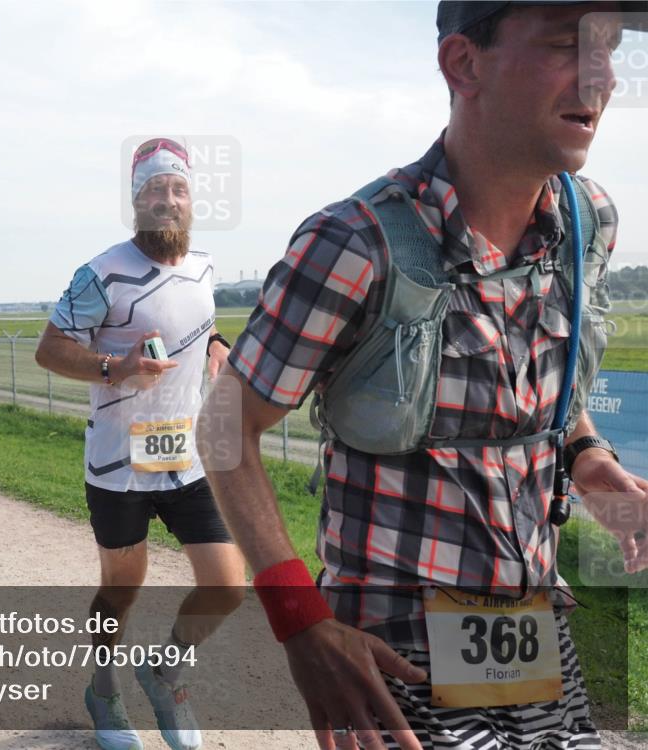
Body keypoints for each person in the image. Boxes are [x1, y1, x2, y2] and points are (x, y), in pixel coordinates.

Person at [198, 3, 648, 749]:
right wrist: (299, 620)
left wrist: (588, 458)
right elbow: (223, 424)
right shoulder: (357, 242)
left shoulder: (588, 223)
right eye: (569, 45)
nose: (601, 77)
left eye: (610, 49)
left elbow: (544, 390)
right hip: (395, 661)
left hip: (535, 641)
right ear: (464, 64)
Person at [35, 137, 244, 750]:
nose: (167, 201)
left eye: (177, 190)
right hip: (118, 463)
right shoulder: (100, 272)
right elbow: (51, 349)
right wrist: (112, 367)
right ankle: (102, 688)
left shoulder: (204, 266)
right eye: (155, 190)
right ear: (136, 200)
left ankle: (166, 672)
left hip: (187, 458)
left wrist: (215, 344)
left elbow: (194, 321)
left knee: (227, 586)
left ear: (191, 200)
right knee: (123, 586)